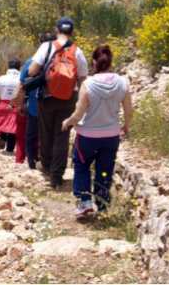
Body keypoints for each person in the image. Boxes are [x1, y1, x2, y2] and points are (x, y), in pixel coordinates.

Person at [62, 45, 133, 219]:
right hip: (111, 136)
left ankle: (84, 202)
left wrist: (67, 122)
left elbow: (78, 114)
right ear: (111, 62)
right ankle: (102, 203)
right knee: (104, 169)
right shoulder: (123, 83)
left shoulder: (88, 84)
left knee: (82, 166)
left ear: (94, 62)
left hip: (87, 137)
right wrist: (126, 126)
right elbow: (129, 110)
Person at [27, 17, 88, 188]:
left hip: (46, 97)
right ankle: (57, 176)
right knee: (62, 135)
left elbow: (32, 71)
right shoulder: (77, 51)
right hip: (68, 98)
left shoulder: (46, 47)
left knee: (46, 133)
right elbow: (83, 78)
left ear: (57, 30)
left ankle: (46, 166)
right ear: (72, 32)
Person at [20, 31, 56, 169]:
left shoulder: (31, 62)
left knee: (31, 136)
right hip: (55, 104)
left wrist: (20, 104)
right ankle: (49, 162)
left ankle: (31, 161)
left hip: (35, 106)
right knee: (50, 135)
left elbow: (23, 83)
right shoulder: (62, 61)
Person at [0, 58, 22, 156]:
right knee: (13, 127)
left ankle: (2, 138)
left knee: (1, 123)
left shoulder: (1, 78)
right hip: (15, 105)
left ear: (8, 67)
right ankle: (10, 149)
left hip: (2, 104)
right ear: (19, 67)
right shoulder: (21, 78)